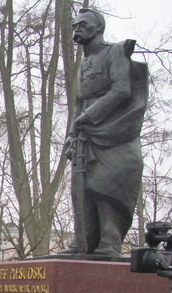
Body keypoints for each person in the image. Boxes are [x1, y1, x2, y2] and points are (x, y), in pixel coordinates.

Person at [61, 8, 147, 257]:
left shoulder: (114, 52)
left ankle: (110, 241)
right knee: (82, 187)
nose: (76, 29)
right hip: (84, 133)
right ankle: (82, 241)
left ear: (98, 27)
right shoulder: (85, 62)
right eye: (74, 26)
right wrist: (71, 134)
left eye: (82, 24)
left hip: (111, 129)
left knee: (105, 183)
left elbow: (122, 90)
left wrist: (89, 117)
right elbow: (79, 101)